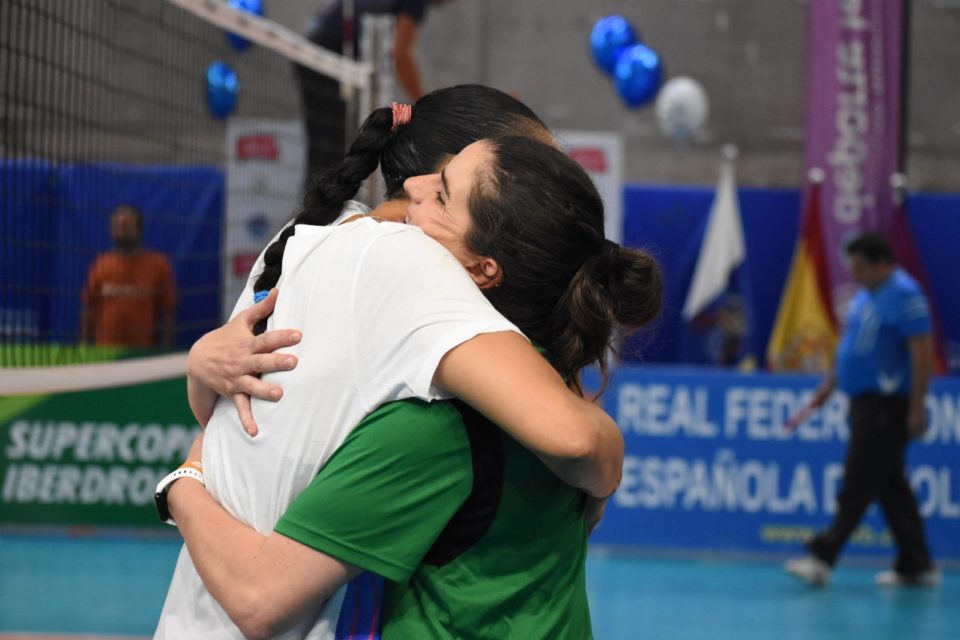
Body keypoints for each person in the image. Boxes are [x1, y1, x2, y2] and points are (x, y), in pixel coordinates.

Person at [155, 88, 660, 638]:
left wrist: (187, 451)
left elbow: (218, 419)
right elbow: (577, 440)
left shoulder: (309, 232)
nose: (419, 190)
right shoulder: (414, 269)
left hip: (195, 606)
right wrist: (608, 464)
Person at [784, 232, 939, 588]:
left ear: (882, 263)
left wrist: (917, 407)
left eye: (861, 267)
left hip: (888, 406)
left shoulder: (906, 294)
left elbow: (921, 351)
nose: (855, 274)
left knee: (858, 481)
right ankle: (916, 564)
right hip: (862, 403)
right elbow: (854, 348)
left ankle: (822, 557)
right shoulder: (865, 297)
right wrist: (829, 386)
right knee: (891, 487)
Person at [296, 0, 446, 175]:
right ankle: (322, 199)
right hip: (323, 59)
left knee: (329, 145)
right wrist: (425, 102)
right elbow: (400, 55)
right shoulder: (415, 3)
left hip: (320, 52)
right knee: (330, 145)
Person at [80, 204, 177, 349]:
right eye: (118, 226)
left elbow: (168, 310)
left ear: (138, 229)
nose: (122, 231)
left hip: (142, 352)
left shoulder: (158, 265)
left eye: (127, 226)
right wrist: (83, 347)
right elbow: (88, 307)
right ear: (111, 230)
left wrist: (166, 348)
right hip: (105, 351)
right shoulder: (101, 264)